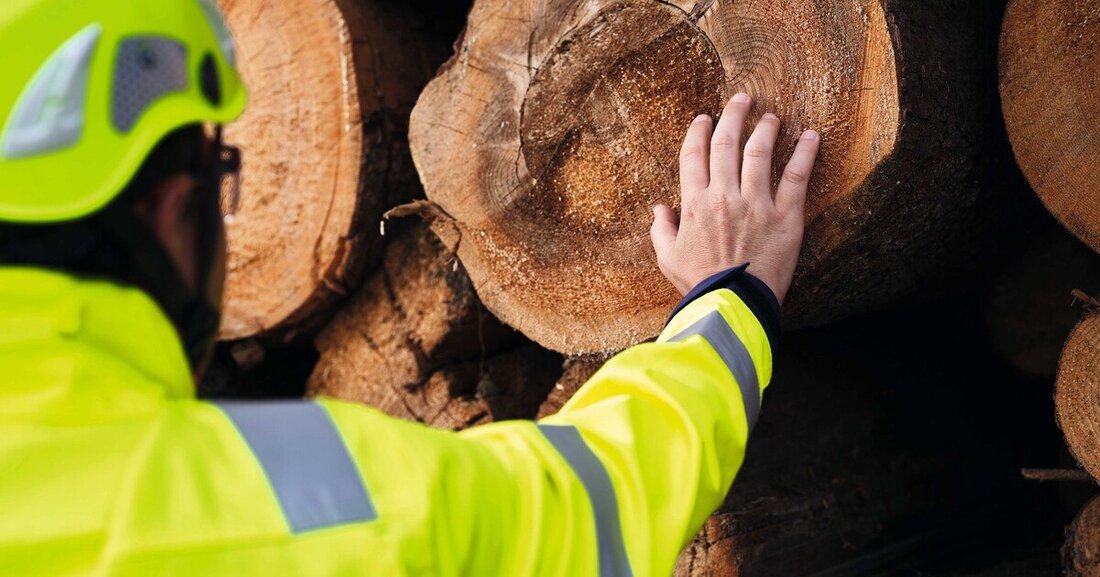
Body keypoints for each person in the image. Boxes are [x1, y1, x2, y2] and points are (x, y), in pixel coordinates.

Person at [0, 1, 820, 575]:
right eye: (219, 177)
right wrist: (726, 301)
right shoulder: (285, 504)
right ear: (172, 208)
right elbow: (588, 501)